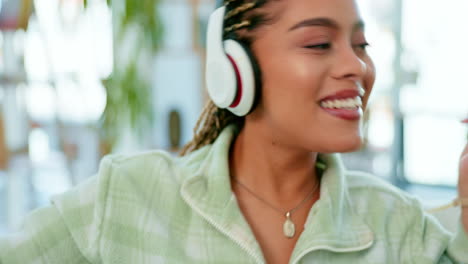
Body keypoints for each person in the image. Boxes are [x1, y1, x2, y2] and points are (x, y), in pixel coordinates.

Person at [1, 0, 468, 263]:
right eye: (319, 43)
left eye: (360, 44)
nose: (357, 66)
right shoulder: (126, 195)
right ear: (234, 68)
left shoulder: (399, 226)